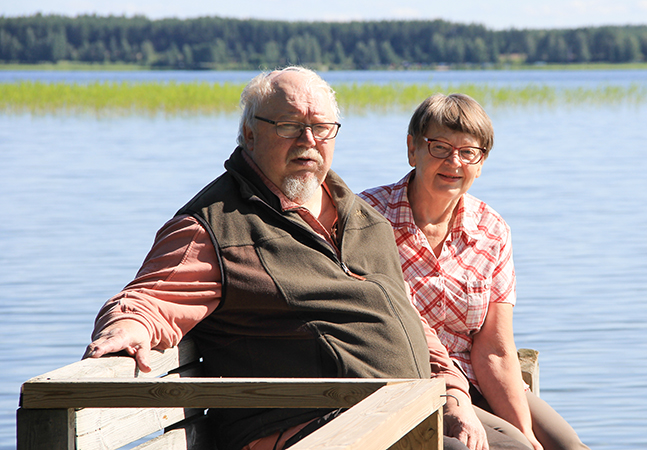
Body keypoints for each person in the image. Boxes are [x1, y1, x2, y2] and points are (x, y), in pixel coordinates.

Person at [83, 68, 502, 450]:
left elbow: (406, 318)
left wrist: (453, 393)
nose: (308, 141)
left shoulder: (364, 218)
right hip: (315, 428)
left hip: (405, 412)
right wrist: (127, 325)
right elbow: (150, 298)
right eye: (289, 126)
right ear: (249, 134)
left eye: (321, 128)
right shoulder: (217, 227)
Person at [359, 93, 591, 450]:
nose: (454, 162)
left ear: (481, 163)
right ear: (412, 149)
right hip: (406, 382)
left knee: (566, 446)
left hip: (479, 378)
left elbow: (495, 350)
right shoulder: (368, 217)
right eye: (439, 147)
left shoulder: (492, 230)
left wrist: (526, 432)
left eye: (469, 152)